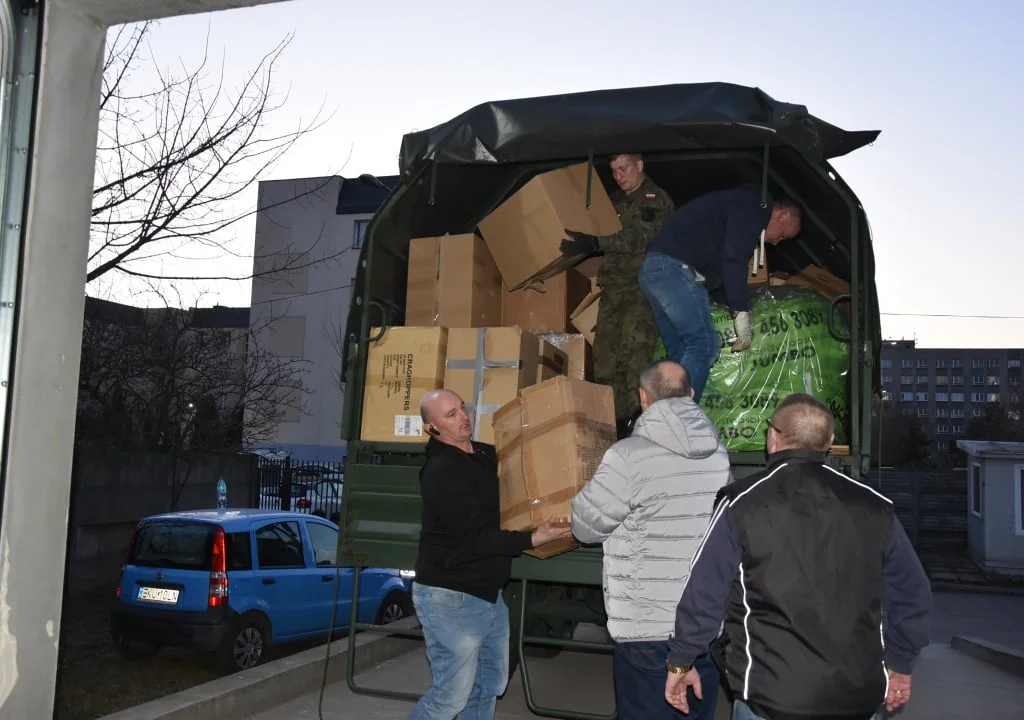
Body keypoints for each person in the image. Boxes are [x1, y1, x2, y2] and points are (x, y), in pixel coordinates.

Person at [663, 393, 933, 720]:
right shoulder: (875, 507)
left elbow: (704, 591)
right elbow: (912, 594)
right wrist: (900, 665)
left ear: (772, 436)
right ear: (830, 442)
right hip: (856, 700)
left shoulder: (742, 503)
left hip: (770, 700)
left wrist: (681, 660)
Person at [569, 360, 732, 720]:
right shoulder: (718, 455)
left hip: (647, 627)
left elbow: (585, 527)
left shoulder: (628, 456)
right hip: (702, 624)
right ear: (691, 394)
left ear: (644, 398)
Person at [409, 389, 573, 720]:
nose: (463, 417)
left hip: (487, 595)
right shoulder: (441, 470)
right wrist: (534, 538)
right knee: (450, 698)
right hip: (451, 596)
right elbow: (475, 538)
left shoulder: (483, 454)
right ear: (431, 428)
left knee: (488, 687)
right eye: (450, 415)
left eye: (462, 408)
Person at [638, 184, 802, 402]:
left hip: (653, 270)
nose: (777, 241)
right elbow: (734, 260)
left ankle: (662, 413)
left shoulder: (733, 207)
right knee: (704, 344)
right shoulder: (753, 206)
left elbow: (721, 270)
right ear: (781, 215)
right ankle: (677, 416)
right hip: (675, 269)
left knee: (680, 353)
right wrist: (741, 311)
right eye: (782, 235)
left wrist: (730, 301)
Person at [559, 153, 674, 438]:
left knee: (634, 358)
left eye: (623, 169)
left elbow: (640, 237)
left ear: (640, 165)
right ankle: (614, 425)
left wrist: (597, 242)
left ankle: (638, 427)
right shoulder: (613, 202)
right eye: (613, 171)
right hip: (613, 290)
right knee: (605, 359)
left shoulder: (654, 199)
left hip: (641, 289)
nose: (619, 176)